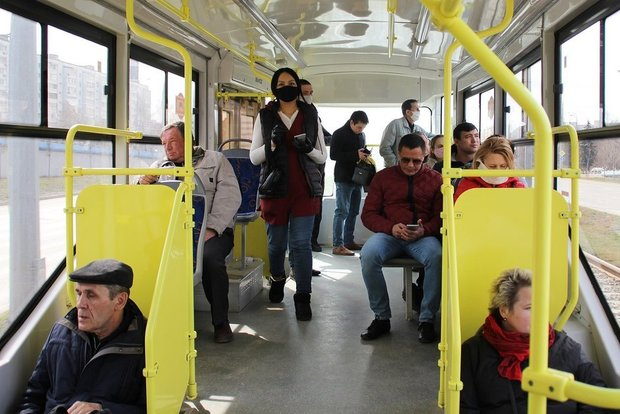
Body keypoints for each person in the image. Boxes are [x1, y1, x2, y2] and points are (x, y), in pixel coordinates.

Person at [138, 121, 241, 343]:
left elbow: (230, 197)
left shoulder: (216, 161)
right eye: (164, 143)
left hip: (213, 230)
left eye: (173, 141)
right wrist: (142, 183)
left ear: (189, 141)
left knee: (211, 259)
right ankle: (150, 319)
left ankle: (220, 322)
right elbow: (140, 201)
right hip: (172, 232)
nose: (168, 148)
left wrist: (211, 227)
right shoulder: (159, 168)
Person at [460, 268, 613, 413]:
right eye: (529, 308)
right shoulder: (473, 354)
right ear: (504, 310)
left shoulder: (566, 348)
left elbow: (597, 399)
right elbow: (465, 407)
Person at [19, 259, 146, 414]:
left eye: (91, 295)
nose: (80, 304)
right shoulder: (61, 332)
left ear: (120, 301)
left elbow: (152, 409)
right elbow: (33, 397)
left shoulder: (145, 345)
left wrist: (103, 409)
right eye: (79, 293)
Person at [250, 67, 327, 321]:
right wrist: (272, 144)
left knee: (301, 245)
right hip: (275, 190)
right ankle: (278, 278)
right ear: (275, 88)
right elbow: (253, 157)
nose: (287, 87)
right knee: (276, 245)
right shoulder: (265, 116)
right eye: (281, 83)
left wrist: (307, 149)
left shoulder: (310, 114)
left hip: (304, 189)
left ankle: (303, 296)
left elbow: (322, 156)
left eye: (291, 83)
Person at [359, 133, 442, 343]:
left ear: (425, 157)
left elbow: (441, 217)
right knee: (368, 255)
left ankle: (427, 319)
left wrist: (425, 230)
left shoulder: (436, 180)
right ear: (398, 155)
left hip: (422, 236)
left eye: (417, 161)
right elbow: (368, 214)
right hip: (390, 235)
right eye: (405, 160)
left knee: (438, 257)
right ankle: (381, 317)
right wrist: (391, 227)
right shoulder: (383, 178)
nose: (411, 166)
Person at [330, 110, 369, 256]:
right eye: (359, 127)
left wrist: (364, 155)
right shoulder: (339, 133)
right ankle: (337, 245)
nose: (361, 130)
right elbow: (333, 155)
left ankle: (348, 241)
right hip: (343, 178)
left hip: (358, 178)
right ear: (352, 122)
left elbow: (359, 152)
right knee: (342, 211)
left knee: (353, 211)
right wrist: (355, 155)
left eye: (363, 128)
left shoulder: (361, 135)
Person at [300, 78, 332, 253]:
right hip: (302, 170)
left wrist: (313, 144)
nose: (309, 96)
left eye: (311, 92)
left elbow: (329, 137)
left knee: (316, 207)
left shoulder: (314, 114)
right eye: (305, 93)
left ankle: (313, 241)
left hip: (318, 169)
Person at [454, 136, 526, 201]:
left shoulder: (517, 186)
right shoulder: (466, 186)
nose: (498, 172)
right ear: (480, 163)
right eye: (492, 166)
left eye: (503, 166)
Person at [379, 99, 432, 167]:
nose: (419, 111)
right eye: (417, 109)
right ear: (408, 112)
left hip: (412, 166)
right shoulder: (395, 124)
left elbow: (432, 136)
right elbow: (384, 148)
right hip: (396, 167)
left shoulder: (418, 128)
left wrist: (427, 142)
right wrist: (395, 164)